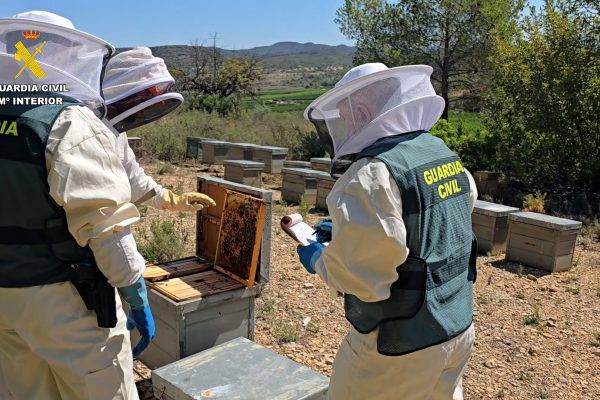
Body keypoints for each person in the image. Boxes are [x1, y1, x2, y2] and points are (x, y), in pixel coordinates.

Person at [0, 11, 212, 399]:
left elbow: (128, 175)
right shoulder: (66, 121)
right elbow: (106, 226)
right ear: (65, 56)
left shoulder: (16, 117)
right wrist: (133, 289)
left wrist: (169, 198)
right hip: (63, 298)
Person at [298, 63, 478, 400]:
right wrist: (347, 232)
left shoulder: (371, 174)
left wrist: (320, 259)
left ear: (363, 111)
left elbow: (364, 279)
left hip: (402, 343)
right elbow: (437, 226)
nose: (344, 126)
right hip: (457, 326)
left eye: (345, 116)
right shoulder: (441, 154)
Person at [102, 47, 215, 212]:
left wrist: (171, 200)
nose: (157, 104)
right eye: (148, 95)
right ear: (125, 91)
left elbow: (134, 179)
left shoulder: (118, 132)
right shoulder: (83, 128)